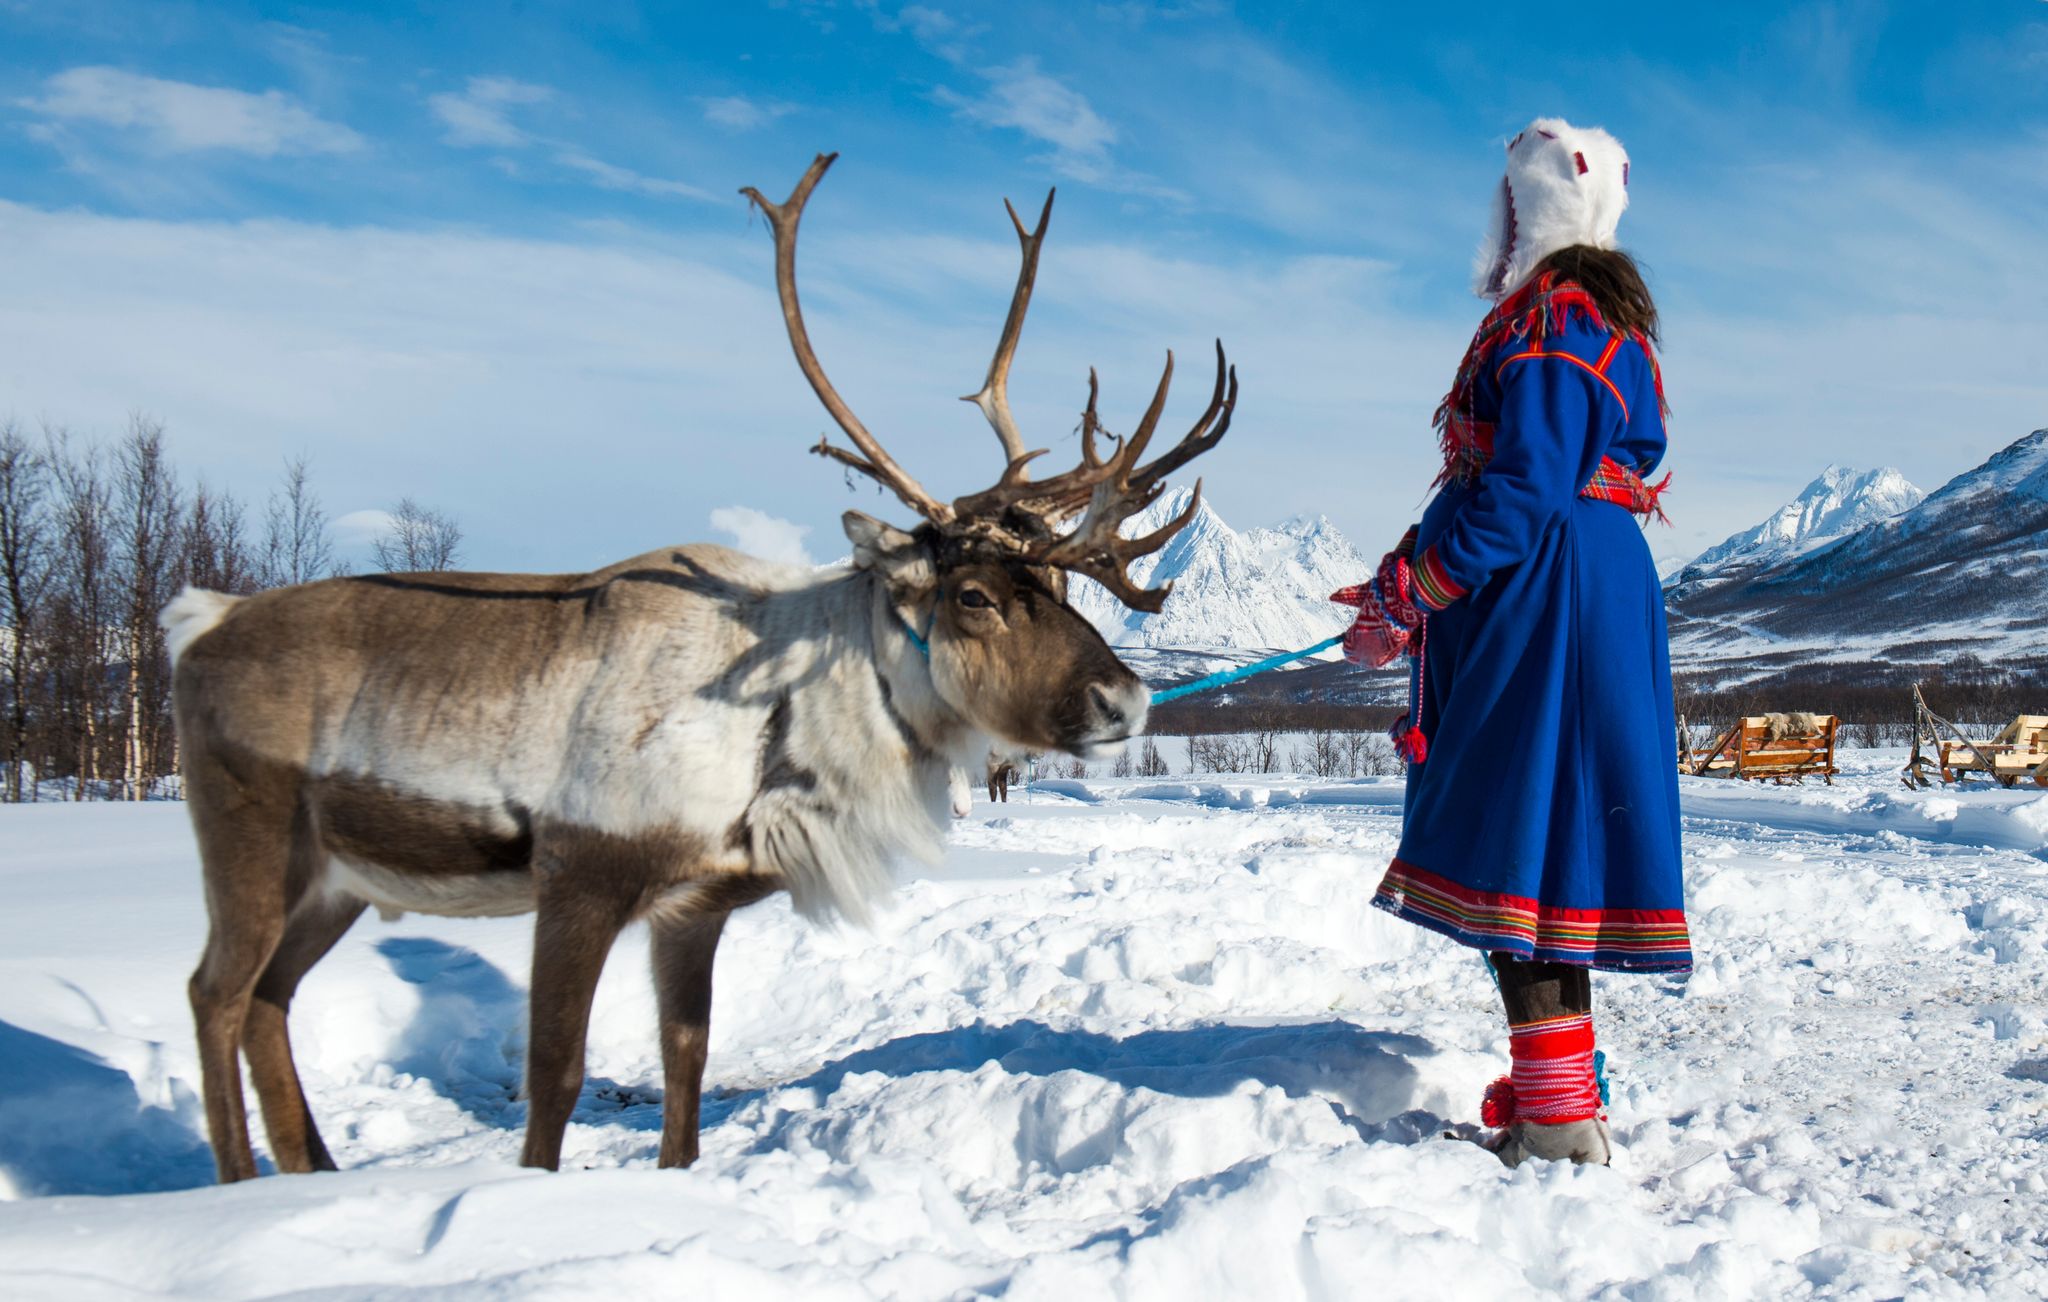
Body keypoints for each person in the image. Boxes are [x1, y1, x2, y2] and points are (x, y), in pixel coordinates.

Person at [1333, 118, 1690, 1167]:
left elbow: (1522, 492)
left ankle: (1560, 1124)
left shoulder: (1550, 327)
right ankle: (1558, 1106)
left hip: (1544, 599)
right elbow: (1503, 484)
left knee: (1520, 843)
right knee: (1540, 850)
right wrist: (1405, 573)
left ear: (1521, 215)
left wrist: (1416, 593)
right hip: (1566, 586)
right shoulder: (1589, 324)